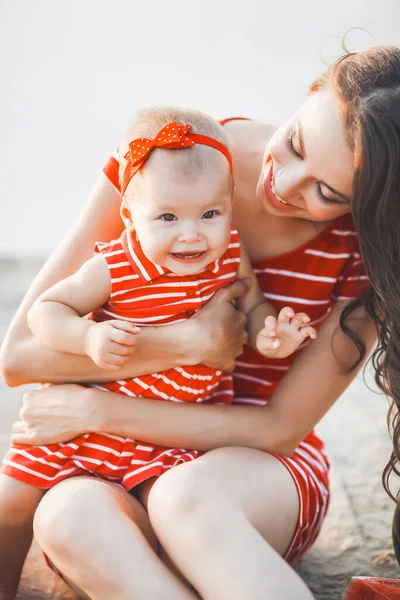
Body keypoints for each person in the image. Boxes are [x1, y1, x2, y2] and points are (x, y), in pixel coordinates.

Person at [3, 44, 398, 600]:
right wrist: (188, 342)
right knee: (67, 515)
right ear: (310, 93)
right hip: (121, 461)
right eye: (294, 146)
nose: (284, 186)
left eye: (327, 193)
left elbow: (278, 429)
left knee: (183, 498)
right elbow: (19, 356)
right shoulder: (170, 155)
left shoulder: (370, 249)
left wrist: (98, 407)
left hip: (253, 478)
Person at [0, 107, 317, 600]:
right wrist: (86, 338)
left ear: (229, 208)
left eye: (209, 214)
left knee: (167, 514)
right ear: (130, 215)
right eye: (167, 217)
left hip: (172, 426)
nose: (191, 234)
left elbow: (252, 308)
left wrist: (270, 336)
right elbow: (47, 311)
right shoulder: (115, 266)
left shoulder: (230, 253)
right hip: (83, 426)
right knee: (12, 499)